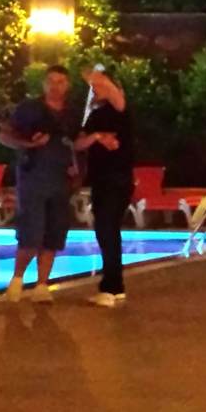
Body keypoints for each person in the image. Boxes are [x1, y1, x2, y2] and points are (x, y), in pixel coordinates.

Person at [0, 65, 80, 304]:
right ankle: (17, 280)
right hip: (33, 177)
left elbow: (76, 143)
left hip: (61, 180)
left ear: (68, 85)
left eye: (60, 82)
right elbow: (4, 136)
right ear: (44, 84)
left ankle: (43, 284)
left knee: (54, 232)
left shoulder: (72, 114)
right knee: (31, 232)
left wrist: (78, 164)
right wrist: (30, 145)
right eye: (51, 81)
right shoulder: (29, 109)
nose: (55, 86)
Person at [77, 67, 134, 308]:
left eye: (99, 85)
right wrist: (98, 137)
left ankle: (110, 288)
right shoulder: (96, 115)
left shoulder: (121, 110)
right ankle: (115, 285)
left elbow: (115, 94)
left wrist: (98, 75)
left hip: (117, 179)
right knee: (106, 231)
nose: (95, 89)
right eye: (93, 86)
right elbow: (79, 143)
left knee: (107, 229)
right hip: (101, 179)